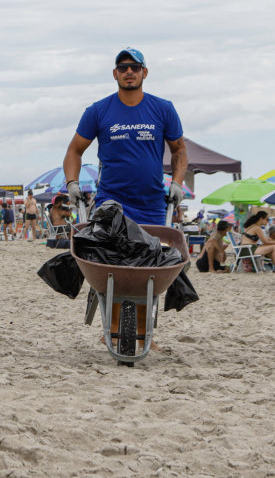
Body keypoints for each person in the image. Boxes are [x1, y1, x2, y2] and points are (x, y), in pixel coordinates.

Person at [63, 47, 189, 351]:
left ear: (145, 72)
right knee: (111, 263)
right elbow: (74, 151)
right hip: (111, 203)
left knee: (148, 268)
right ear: (115, 74)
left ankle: (145, 332)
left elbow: (179, 151)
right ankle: (116, 327)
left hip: (151, 203)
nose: (129, 72)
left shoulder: (162, 109)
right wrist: (72, 183)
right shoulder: (98, 111)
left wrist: (177, 182)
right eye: (123, 67)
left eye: (135, 67)